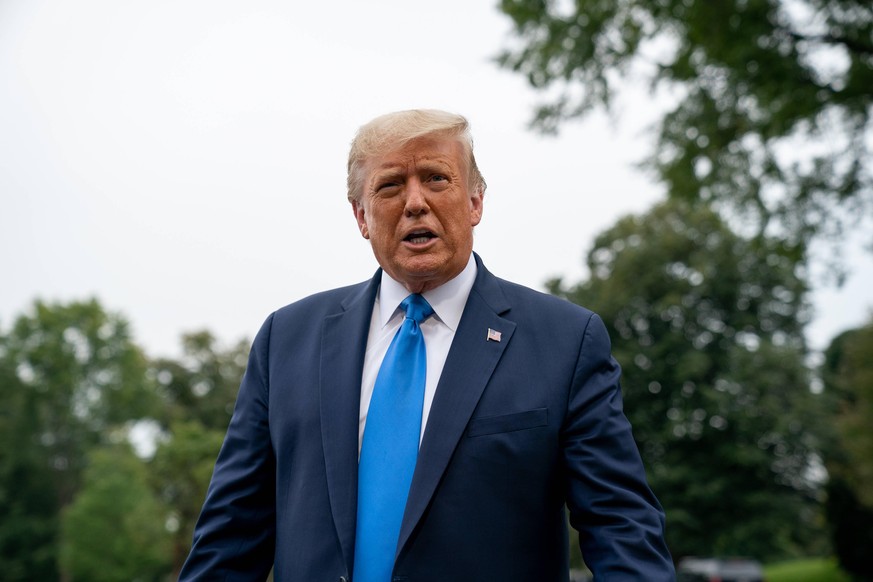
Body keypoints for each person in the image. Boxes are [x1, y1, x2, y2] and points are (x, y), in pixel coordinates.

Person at [179, 109, 675, 581]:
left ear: (476, 201)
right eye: (390, 185)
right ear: (361, 217)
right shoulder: (286, 340)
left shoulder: (566, 342)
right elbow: (230, 537)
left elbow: (621, 526)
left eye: (437, 178)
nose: (415, 201)